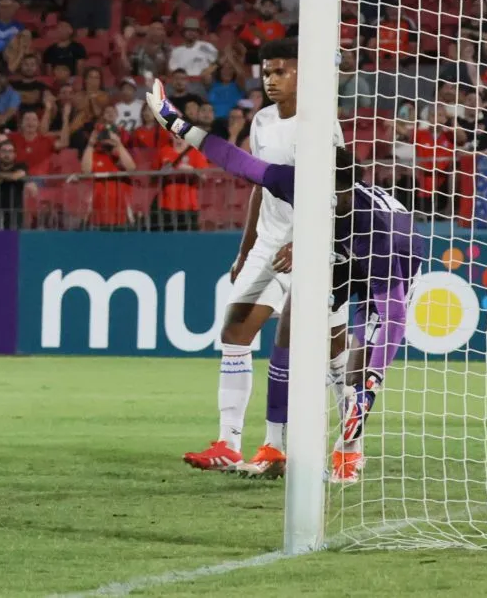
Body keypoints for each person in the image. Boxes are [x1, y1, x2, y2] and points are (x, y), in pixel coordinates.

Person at [147, 76, 422, 484]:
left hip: (393, 259)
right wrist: (175, 122)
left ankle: (349, 450)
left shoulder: (376, 227)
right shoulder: (300, 184)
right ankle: (274, 446)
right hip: (333, 256)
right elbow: (235, 160)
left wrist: (372, 382)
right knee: (290, 332)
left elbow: (394, 317)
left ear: (345, 194)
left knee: (359, 353)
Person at [168, 39, 347, 477]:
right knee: (235, 331)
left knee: (330, 348)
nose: (271, 79)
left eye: (282, 71)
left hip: (313, 244)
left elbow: (337, 193)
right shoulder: (263, 121)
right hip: (270, 244)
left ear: (304, 75)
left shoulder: (321, 124)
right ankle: (230, 444)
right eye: (267, 71)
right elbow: (258, 181)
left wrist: (307, 241)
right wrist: (246, 247)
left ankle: (350, 441)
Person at [0, 140, 27, 229]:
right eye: (4, 151)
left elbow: (16, 176)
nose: (7, 154)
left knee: (13, 239)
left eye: (10, 151)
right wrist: (10, 177)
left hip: (14, 211)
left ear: (15, 154)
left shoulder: (21, 165)